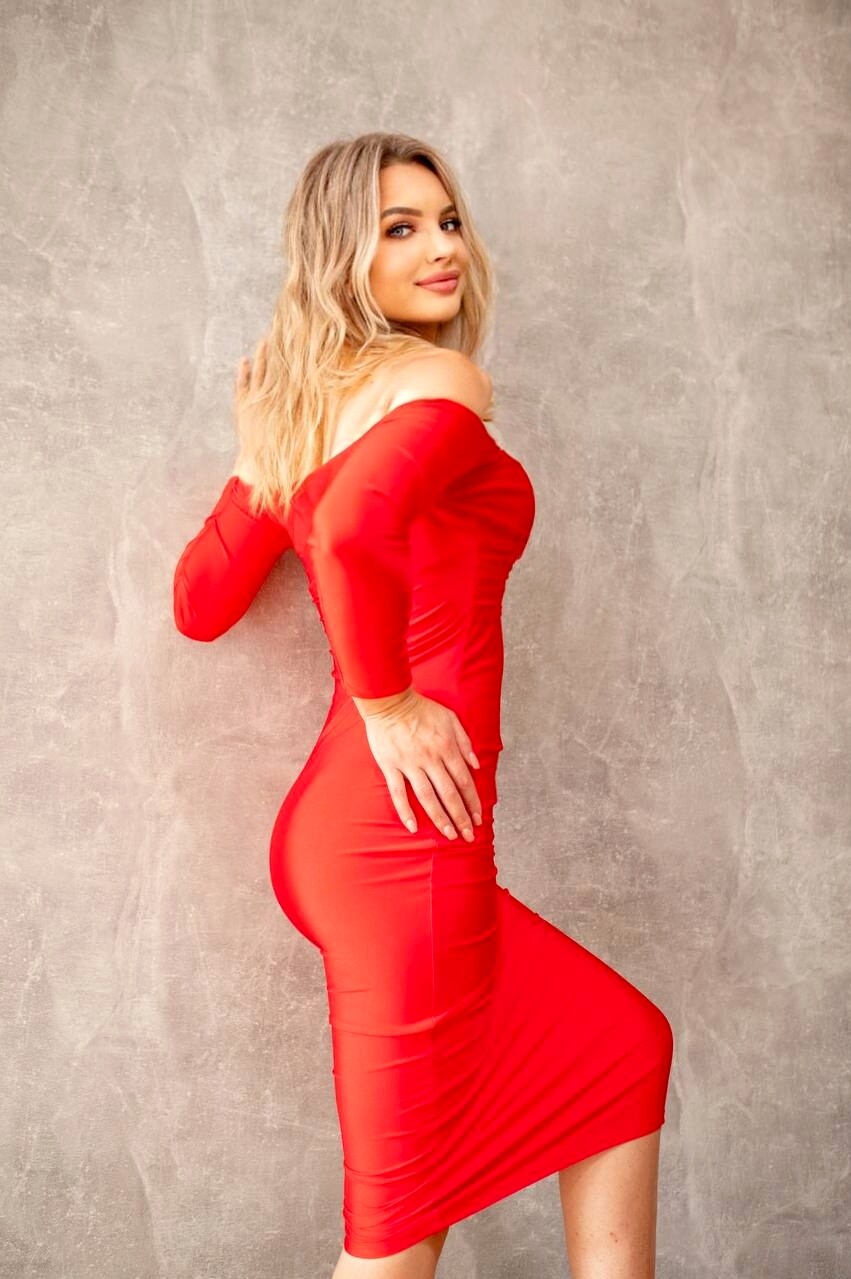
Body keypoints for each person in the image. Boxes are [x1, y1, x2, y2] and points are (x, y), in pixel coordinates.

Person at [172, 131, 674, 1279]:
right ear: (338, 254)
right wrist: (389, 702)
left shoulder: (312, 413)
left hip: (353, 841)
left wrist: (258, 458)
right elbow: (349, 536)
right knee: (397, 1241)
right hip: (404, 844)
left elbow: (200, 601)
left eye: (445, 221)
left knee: (617, 1047)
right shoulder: (441, 382)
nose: (440, 247)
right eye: (399, 228)